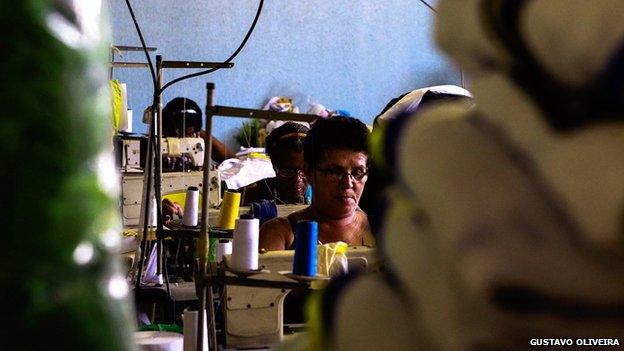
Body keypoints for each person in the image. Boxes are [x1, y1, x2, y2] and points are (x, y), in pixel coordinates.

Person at [259, 116, 374, 251]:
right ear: (309, 172)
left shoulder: (384, 231)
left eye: (357, 173)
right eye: (335, 172)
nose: (348, 183)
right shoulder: (281, 234)